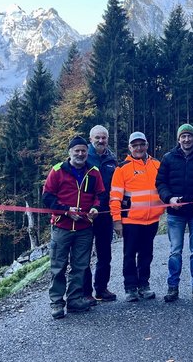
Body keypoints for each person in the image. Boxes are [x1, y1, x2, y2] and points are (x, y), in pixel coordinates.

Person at [43, 136, 105, 319]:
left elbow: (100, 195)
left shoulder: (94, 172)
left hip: (84, 228)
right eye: (76, 150)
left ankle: (75, 300)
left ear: (87, 152)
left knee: (80, 266)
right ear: (69, 152)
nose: (80, 154)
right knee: (58, 266)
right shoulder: (57, 170)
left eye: (83, 151)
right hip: (61, 227)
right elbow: (47, 197)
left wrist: (95, 208)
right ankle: (56, 303)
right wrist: (65, 211)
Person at [156, 123, 193, 302]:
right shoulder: (168, 158)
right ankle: (172, 287)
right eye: (183, 136)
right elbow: (160, 183)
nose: (186, 139)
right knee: (175, 251)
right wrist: (169, 199)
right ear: (178, 139)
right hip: (175, 214)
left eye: (189, 136)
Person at [110, 132, 164, 302]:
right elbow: (115, 197)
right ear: (130, 148)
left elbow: (163, 188)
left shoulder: (157, 165)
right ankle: (130, 287)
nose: (139, 148)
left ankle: (144, 284)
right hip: (131, 221)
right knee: (129, 254)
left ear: (147, 145)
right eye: (135, 145)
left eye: (142, 144)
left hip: (152, 220)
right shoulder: (122, 168)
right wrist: (116, 220)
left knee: (147, 254)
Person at [82, 125, 118, 304]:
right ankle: (86, 292)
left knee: (105, 253)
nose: (100, 141)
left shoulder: (112, 159)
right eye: (97, 137)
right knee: (85, 254)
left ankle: (101, 288)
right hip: (87, 214)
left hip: (106, 213)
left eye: (103, 138)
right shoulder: (83, 157)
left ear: (107, 139)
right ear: (91, 139)